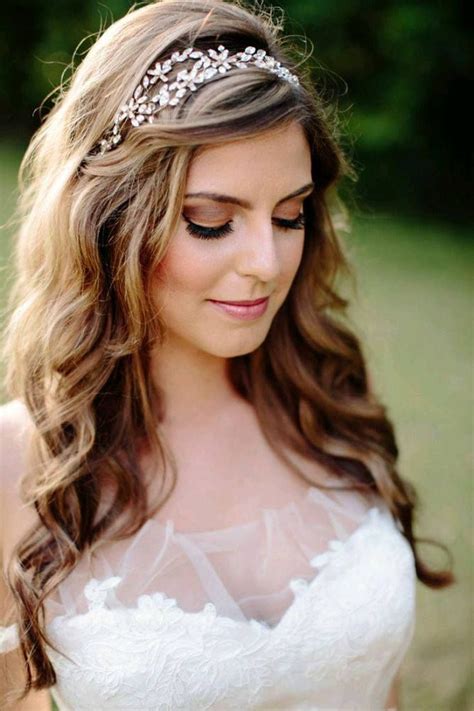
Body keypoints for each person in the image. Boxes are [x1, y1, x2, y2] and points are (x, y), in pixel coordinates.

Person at [0, 0, 455, 709]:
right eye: (212, 221)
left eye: (289, 214)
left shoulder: (326, 401)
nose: (267, 263)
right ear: (111, 221)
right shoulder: (19, 466)